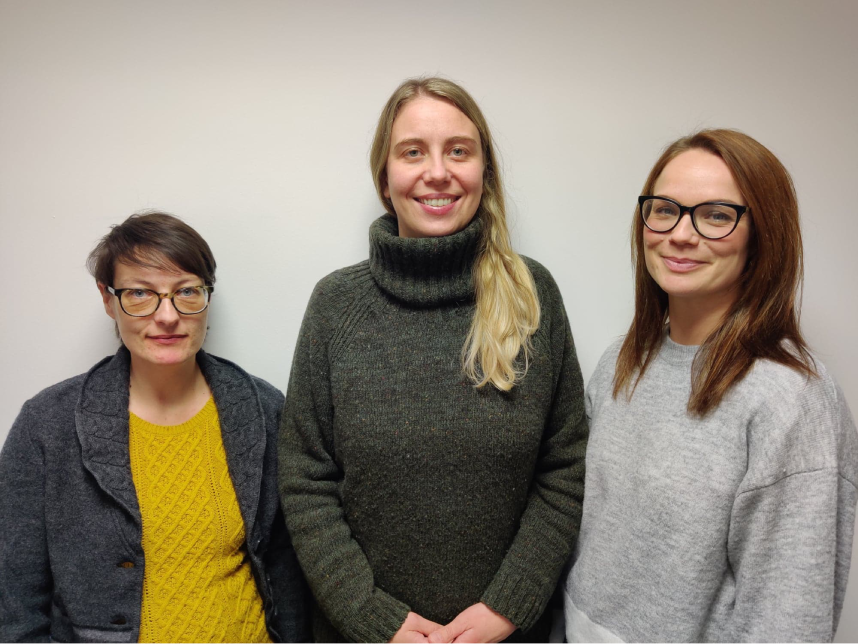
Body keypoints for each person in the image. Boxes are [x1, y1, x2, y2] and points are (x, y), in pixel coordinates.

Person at [279, 77, 587, 644]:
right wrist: (373, 617)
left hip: (508, 634)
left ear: (483, 173)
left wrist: (509, 606)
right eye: (413, 151)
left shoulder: (531, 293)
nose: (438, 171)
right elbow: (305, 479)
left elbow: (564, 467)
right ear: (384, 177)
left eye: (459, 151)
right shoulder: (336, 305)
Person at [564, 129, 858, 642]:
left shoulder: (790, 399)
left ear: (762, 237)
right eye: (664, 209)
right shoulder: (621, 362)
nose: (680, 233)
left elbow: (787, 622)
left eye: (717, 215)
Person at [0, 212, 310, 644]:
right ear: (108, 300)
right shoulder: (48, 424)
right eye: (141, 294)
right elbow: (14, 605)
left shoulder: (262, 409)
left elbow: (286, 571)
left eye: (186, 291)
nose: (167, 316)